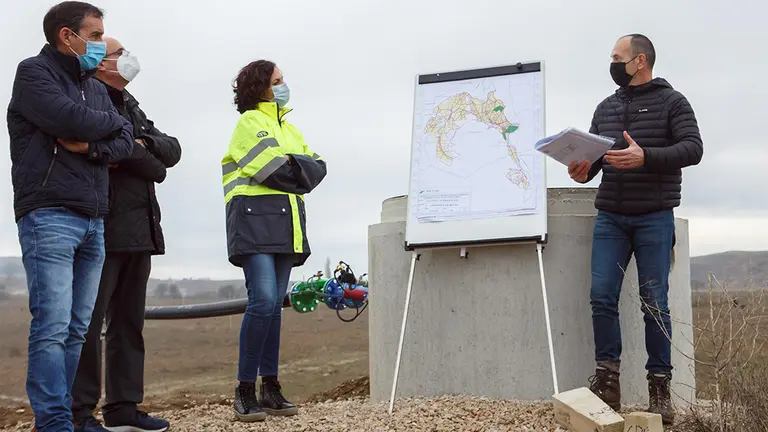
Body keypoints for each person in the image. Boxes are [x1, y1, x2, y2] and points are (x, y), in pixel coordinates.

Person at [6, 2, 134, 431]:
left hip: (95, 218)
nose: (100, 44)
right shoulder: (34, 74)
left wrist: (92, 142)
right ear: (67, 35)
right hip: (50, 214)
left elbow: (125, 137)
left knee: (79, 329)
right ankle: (55, 422)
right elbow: (67, 117)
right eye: (95, 36)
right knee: (53, 326)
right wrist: (105, 128)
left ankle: (65, 419)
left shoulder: (95, 86)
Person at [568, 34, 703, 425]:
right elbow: (592, 165)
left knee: (654, 303)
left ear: (639, 61)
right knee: (601, 297)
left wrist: (645, 157)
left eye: (616, 57)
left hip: (654, 216)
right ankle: (607, 382)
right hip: (610, 215)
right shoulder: (605, 107)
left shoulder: (673, 102)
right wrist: (579, 171)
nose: (611, 63)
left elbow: (693, 149)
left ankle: (659, 388)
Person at [70, 37, 181, 432]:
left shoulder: (129, 102)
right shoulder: (88, 96)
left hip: (140, 230)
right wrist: (142, 156)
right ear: (101, 65)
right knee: (86, 323)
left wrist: (142, 145)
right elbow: (112, 150)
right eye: (118, 53)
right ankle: (79, 412)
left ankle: (123, 407)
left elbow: (170, 151)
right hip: (103, 225)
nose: (126, 59)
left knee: (128, 324)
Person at [222, 60, 327, 422]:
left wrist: (294, 163)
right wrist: (296, 166)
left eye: (283, 79)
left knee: (273, 312)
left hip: (286, 228)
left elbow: (318, 168)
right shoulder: (248, 123)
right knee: (263, 302)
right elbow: (273, 171)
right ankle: (244, 390)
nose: (283, 86)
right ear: (259, 88)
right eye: (276, 81)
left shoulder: (290, 129)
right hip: (253, 227)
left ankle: (270, 387)